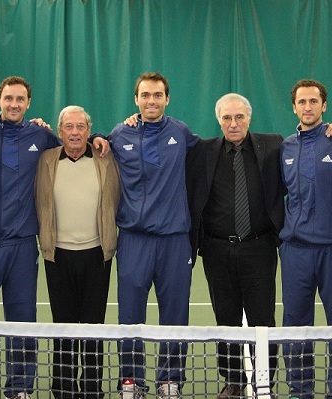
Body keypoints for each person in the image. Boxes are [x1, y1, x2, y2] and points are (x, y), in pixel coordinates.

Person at [0, 76, 63, 399]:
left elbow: (77, 147)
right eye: (8, 99)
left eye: (20, 99)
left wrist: (100, 138)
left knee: (22, 323)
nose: (14, 104)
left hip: (22, 247)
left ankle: (19, 389)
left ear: (28, 103)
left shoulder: (42, 135)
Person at [186, 93, 284, 399]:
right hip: (216, 250)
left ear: (249, 119)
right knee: (225, 319)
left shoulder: (274, 145)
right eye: (227, 118)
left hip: (259, 247)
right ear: (219, 120)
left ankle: (264, 381)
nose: (233, 123)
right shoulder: (201, 151)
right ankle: (233, 381)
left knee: (262, 319)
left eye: (239, 117)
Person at [108, 72, 199, 399]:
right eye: (145, 95)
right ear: (136, 99)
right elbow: (98, 143)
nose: (151, 101)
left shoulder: (180, 132)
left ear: (167, 99)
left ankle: (169, 381)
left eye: (157, 95)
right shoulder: (120, 133)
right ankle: (131, 381)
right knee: (130, 316)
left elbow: (211, 153)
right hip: (134, 240)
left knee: (175, 315)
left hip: (175, 240)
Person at [35, 105, 120, 399]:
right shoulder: (45, 160)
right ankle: (63, 389)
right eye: (68, 127)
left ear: (89, 130)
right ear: (59, 132)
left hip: (98, 254)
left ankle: (93, 389)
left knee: (94, 326)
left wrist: (100, 137)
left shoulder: (106, 158)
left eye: (81, 127)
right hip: (57, 256)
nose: (74, 132)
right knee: (64, 326)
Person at [279, 79, 332, 399]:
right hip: (296, 251)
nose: (308, 107)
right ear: (294, 107)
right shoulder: (284, 147)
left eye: (314, 101)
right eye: (302, 102)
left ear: (324, 106)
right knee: (296, 326)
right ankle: (300, 390)